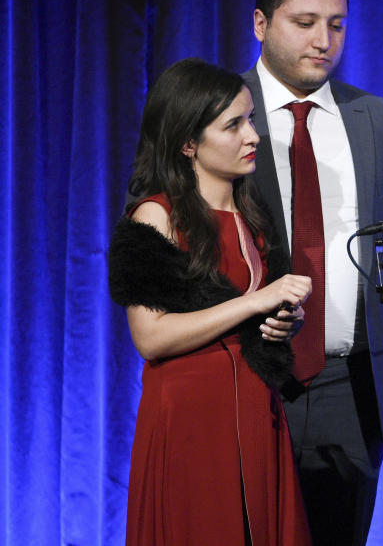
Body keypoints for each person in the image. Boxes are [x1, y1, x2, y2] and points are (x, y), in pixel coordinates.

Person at [242, 0, 383, 546]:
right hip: (244, 377)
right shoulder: (212, 113)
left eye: (337, 24)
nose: (324, 39)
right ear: (262, 23)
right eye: (305, 22)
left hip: (352, 386)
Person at [108, 58, 313, 545]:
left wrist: (284, 320)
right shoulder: (154, 217)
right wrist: (253, 302)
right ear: (187, 142)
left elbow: (257, 311)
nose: (253, 136)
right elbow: (151, 337)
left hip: (256, 415)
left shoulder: (253, 217)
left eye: (251, 120)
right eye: (233, 125)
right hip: (191, 423)